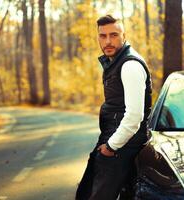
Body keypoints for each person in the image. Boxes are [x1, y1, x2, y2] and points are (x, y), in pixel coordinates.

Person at [75, 15, 152, 200]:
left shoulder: (129, 65)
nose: (108, 41)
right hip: (114, 141)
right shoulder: (116, 62)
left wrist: (111, 146)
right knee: (86, 191)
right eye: (103, 36)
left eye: (114, 35)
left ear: (124, 35)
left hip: (121, 145)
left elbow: (134, 116)